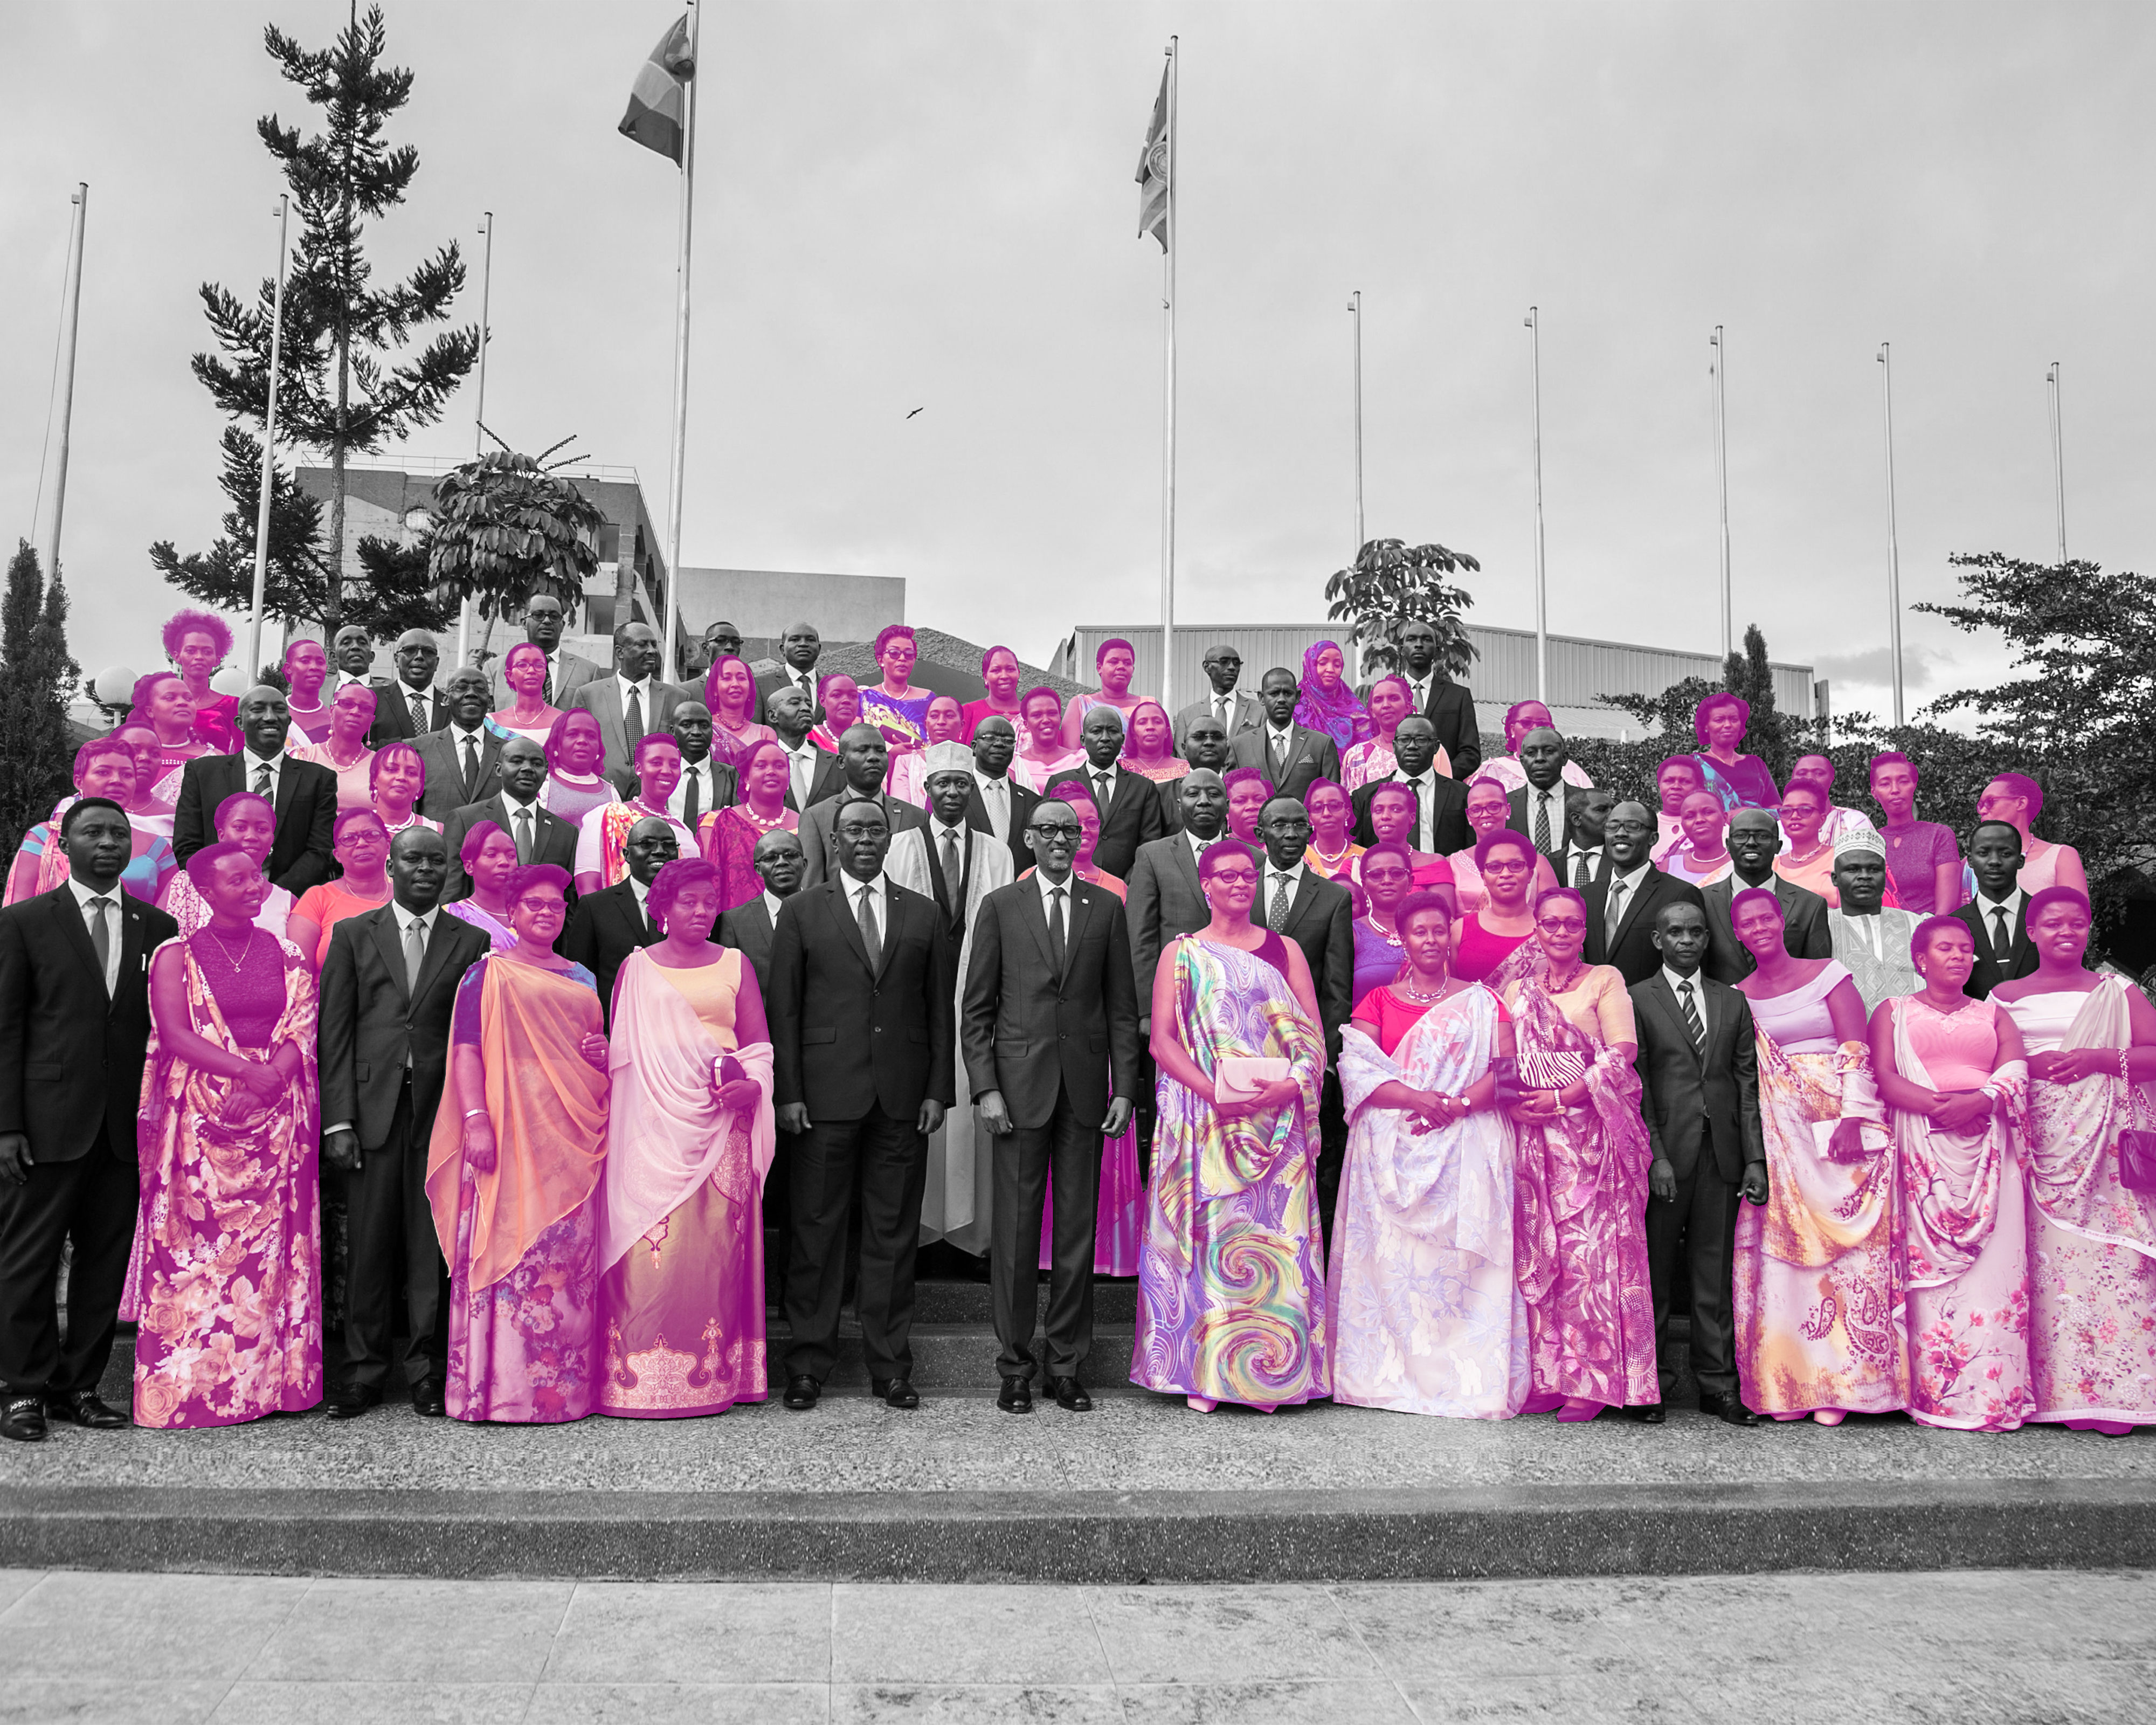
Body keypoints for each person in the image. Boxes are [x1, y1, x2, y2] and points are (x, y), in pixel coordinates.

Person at [0, 799, 179, 1441]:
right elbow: (7, 1027)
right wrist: (6, 1125)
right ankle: (23, 1388)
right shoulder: (24, 923)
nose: (107, 843)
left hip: (123, 1128)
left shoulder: (156, 925)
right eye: (93, 833)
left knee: (104, 1263)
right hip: (44, 1124)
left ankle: (80, 1385)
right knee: (28, 1259)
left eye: (118, 834)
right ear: (65, 843)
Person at [770, 799, 953, 1412]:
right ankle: (808, 1363)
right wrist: (788, 1093)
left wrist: (936, 1090)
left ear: (889, 836)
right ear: (835, 837)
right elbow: (786, 1010)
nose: (866, 839)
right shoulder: (801, 909)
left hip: (903, 1099)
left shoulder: (923, 913)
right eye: (854, 830)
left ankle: (889, 1364)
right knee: (816, 1232)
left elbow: (937, 1011)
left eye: (876, 829)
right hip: (821, 1099)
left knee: (892, 1234)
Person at [130, 842, 321, 1427]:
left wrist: (269, 1081)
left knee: (270, 1261)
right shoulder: (175, 954)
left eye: (256, 875)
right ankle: (188, 1390)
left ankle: (269, 1386)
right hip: (199, 1127)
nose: (251, 885)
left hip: (274, 1126)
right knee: (190, 1253)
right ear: (204, 892)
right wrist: (246, 1072)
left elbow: (302, 1025)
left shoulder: (288, 953)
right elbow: (175, 1032)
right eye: (235, 879)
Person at [1136, 841, 1329, 1413]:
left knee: (1275, 1241)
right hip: (1207, 1121)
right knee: (1212, 1243)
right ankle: (1206, 1371)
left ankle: (1271, 1378)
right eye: (1228, 875)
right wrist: (1212, 1094)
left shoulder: (1284, 948)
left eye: (1249, 874)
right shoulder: (1183, 952)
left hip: (1278, 1121)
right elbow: (1161, 1039)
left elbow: (1313, 1034)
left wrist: (1291, 1085)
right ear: (1206, 884)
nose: (1241, 883)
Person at [966, 801, 1141, 1411]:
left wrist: (1124, 1089)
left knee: (1075, 1232)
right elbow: (977, 1008)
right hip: (1016, 1091)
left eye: (1071, 830)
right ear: (1029, 839)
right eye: (1049, 830)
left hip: (1087, 1092)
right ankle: (1015, 1365)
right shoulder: (1000, 906)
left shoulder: (1107, 908)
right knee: (1015, 1233)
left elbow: (1121, 1009)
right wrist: (985, 1087)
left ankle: (1065, 1363)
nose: (1061, 839)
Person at [426, 864, 610, 1423]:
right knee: (506, 1256)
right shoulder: (487, 973)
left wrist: (603, 1054)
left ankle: (562, 1395)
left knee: (562, 1265)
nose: (546, 912)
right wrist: (476, 1119)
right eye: (533, 903)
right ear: (511, 912)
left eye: (556, 905)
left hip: (571, 1138)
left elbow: (587, 1048)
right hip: (506, 1132)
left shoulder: (582, 976)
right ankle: (497, 1392)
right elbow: (466, 1051)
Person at [1333, 885, 1522, 1419]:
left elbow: (1506, 1074)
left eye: (1439, 930)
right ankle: (1386, 1375)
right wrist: (1418, 1098)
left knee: (1456, 1267)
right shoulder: (1378, 1001)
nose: (1431, 939)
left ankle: (1463, 1376)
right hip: (1392, 1150)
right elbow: (1358, 1070)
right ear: (1403, 939)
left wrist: (1457, 1105)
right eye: (1420, 931)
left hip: (1465, 1147)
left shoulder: (1485, 1001)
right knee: (1397, 1268)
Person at [598, 858, 774, 1419]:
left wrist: (751, 1088)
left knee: (713, 1251)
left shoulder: (735, 963)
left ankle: (716, 1377)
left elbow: (758, 1047)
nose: (701, 911)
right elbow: (623, 1056)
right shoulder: (636, 968)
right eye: (688, 902)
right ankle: (635, 1383)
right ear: (662, 909)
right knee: (650, 1252)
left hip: (722, 1128)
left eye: (709, 901)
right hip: (649, 1131)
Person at [1727, 887, 1898, 1424]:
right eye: (1746, 922)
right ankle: (1794, 1384)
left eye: (1765, 917)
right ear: (1737, 933)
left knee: (1850, 1254)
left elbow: (1856, 1047)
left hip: (1837, 1125)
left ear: (1783, 920)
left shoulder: (1828, 974)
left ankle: (1847, 1385)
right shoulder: (1738, 994)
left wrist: (1854, 1116)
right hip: (1780, 1134)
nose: (1758, 927)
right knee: (1786, 1256)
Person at [1995, 888, 2156, 1434]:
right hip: (2036, 1146)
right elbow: (1990, 1061)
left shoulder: (2117, 990)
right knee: (2046, 1268)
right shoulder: (2004, 994)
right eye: (2052, 922)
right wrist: (2024, 1063)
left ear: (2089, 930)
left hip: (2104, 1151)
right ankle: (2055, 1393)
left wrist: (2097, 1057)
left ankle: (2120, 1395)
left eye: (2077, 923)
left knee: (2113, 1262)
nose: (2066, 931)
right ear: (2032, 932)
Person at [1500, 888, 1659, 1421]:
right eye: (1551, 923)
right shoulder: (1518, 987)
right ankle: (1549, 1375)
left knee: (1589, 1260)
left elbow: (1622, 1052)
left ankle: (1594, 1380)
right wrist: (1513, 1101)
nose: (1561, 932)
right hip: (1534, 1136)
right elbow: (1498, 1049)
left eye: (1571, 924)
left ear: (1584, 929)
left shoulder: (1604, 978)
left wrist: (1564, 1096)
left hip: (1590, 1135)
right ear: (1537, 929)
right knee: (1544, 1255)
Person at [1873, 916, 2031, 1431]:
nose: (1960, 956)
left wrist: (1980, 1103)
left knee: (1995, 1271)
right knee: (1928, 1280)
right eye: (1946, 948)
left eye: (1966, 948)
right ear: (1920, 959)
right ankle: (1933, 1396)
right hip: (1920, 1148)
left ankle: (1992, 1397)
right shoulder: (1893, 1012)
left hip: (1988, 1147)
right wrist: (1941, 1107)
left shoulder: (1995, 1013)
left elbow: (2015, 1070)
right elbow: (1883, 1077)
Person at [1632, 900, 1769, 1425]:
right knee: (1656, 1272)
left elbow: (1745, 1084)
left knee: (1712, 1274)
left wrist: (1753, 1159)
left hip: (1721, 1155)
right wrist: (1656, 1154)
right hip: (1666, 1156)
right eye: (1675, 932)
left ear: (1706, 940)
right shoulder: (1637, 998)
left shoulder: (1731, 1002)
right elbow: (1637, 1085)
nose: (1686, 939)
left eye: (1695, 932)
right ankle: (1651, 1384)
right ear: (1657, 940)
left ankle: (1717, 1386)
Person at [887, 743, 1016, 1257]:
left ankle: (969, 1236)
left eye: (962, 783)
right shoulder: (899, 845)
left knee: (969, 1107)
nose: (953, 792)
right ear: (926, 789)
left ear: (972, 790)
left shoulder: (997, 851)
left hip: (976, 990)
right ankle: (917, 1233)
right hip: (917, 993)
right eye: (943, 783)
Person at [1256, 796, 1356, 1237]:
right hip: (1244, 1043)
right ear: (1261, 834)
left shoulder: (1332, 897)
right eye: (1280, 825)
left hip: (1302, 1051)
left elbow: (1336, 988)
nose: (1293, 834)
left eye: (1300, 825)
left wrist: (1326, 1061)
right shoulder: (1239, 887)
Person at [171, 685, 338, 891]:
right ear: (240, 723)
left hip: (290, 902)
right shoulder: (202, 773)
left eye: (279, 709)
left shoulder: (319, 779)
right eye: (258, 709)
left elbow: (320, 850)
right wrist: (224, 889)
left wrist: (275, 896)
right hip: (217, 899)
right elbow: (187, 845)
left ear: (288, 721)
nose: (270, 717)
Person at [5, 739, 175, 908]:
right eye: (103, 772)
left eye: (127, 775)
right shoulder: (44, 838)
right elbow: (16, 913)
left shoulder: (158, 848)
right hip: (49, 934)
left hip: (135, 934)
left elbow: (169, 921)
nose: (117, 780)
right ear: (79, 781)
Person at [1126, 770, 1228, 1030]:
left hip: (1235, 999)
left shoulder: (1252, 858)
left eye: (1214, 794)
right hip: (1173, 1001)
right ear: (1179, 804)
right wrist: (1148, 1011)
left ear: (1227, 804)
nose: (1204, 801)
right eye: (1193, 794)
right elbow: (1141, 938)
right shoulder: (1152, 856)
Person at [559, 816, 684, 1025]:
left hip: (679, 1029)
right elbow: (580, 981)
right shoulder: (595, 907)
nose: (660, 851)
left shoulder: (691, 907)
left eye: (669, 845)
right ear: (627, 854)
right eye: (647, 844)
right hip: (617, 1031)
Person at [1703, 808, 1832, 984]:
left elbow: (1818, 975)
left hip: (1790, 1008)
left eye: (1762, 836)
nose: (1751, 843)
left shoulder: (1810, 905)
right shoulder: (1702, 901)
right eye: (1741, 836)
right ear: (1728, 844)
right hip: (1722, 1009)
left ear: (1778, 846)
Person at [1583, 802, 1705, 986]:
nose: (1620, 833)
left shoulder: (1680, 894)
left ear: (1653, 838)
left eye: (1633, 826)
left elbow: (1692, 967)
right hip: (1591, 1008)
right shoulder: (1584, 896)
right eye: (1612, 827)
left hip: (1650, 1011)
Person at [443, 736, 579, 899]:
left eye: (536, 764)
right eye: (517, 761)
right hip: (479, 923)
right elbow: (451, 891)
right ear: (498, 769)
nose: (527, 768)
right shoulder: (465, 820)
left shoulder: (566, 833)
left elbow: (569, 897)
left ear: (546, 772)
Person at [795, 726, 930, 887]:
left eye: (880, 751)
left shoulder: (917, 817)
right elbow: (812, 891)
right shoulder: (816, 818)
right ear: (841, 761)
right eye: (862, 750)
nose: (873, 757)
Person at [1046, 707, 1170, 881]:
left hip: (1127, 886)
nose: (1105, 738)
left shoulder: (1143, 787)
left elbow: (1149, 844)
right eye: (1097, 731)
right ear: (1083, 739)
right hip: (1070, 882)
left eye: (1112, 731)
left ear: (1123, 739)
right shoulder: (1060, 783)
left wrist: (1128, 882)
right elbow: (1049, 836)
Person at [160, 793, 300, 937]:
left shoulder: (287, 901)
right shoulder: (184, 885)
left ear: (272, 839)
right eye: (240, 827)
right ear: (221, 835)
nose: (251, 836)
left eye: (262, 829)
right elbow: (158, 944)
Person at [574, 732, 694, 896]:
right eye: (656, 762)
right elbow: (586, 886)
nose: (666, 771)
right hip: (615, 918)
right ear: (639, 769)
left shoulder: (685, 832)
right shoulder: (606, 816)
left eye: (674, 765)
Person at [699, 737, 796, 912]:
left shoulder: (806, 824)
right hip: (737, 928)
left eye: (780, 766)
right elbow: (711, 885)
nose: (771, 771)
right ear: (746, 779)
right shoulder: (718, 823)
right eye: (761, 766)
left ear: (789, 778)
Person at [287, 809, 394, 967]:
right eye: (349, 839)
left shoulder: (406, 898)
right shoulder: (318, 898)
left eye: (371, 835)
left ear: (388, 845)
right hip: (327, 992)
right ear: (337, 855)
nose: (362, 843)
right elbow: (299, 976)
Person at [1828, 830, 1920, 1011]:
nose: (1865, 876)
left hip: (1914, 1032)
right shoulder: (1822, 925)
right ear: (1835, 879)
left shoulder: (1917, 925)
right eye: (1853, 869)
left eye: (1874, 869)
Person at [1350, 717, 1469, 854]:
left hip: (1443, 873)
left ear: (1436, 747)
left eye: (1421, 740)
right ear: (1395, 747)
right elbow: (1357, 852)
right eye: (1404, 740)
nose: (1412, 746)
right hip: (1386, 874)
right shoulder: (1366, 796)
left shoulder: (1462, 795)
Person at [1950, 820, 2041, 997]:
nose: (1994, 861)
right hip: (1976, 1023)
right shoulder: (1953, 925)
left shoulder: (2045, 916)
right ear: (1970, 861)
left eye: (2005, 853)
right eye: (1984, 853)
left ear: (2020, 861)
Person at [1231, 666, 1343, 805]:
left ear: (1297, 697)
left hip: (1305, 825)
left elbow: (1332, 800)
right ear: (1261, 698)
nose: (1281, 700)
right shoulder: (1239, 746)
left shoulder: (1321, 744)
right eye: (1274, 693)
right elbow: (1233, 800)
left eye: (1288, 693)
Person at [1387, 619, 1482, 780]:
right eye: (1412, 639)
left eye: (1426, 639)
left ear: (1437, 651)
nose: (1419, 644)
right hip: (1395, 789)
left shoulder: (1459, 696)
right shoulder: (1386, 696)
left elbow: (1470, 753)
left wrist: (1440, 779)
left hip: (1445, 793)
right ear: (1402, 649)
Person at [1869, 750, 1962, 915]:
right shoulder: (1870, 841)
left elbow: (1946, 910)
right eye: (1885, 784)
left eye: (1903, 781)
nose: (1895, 790)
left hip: (1929, 934)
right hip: (1881, 935)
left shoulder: (1939, 835)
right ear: (1874, 792)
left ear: (1914, 785)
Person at [412, 667, 507, 823]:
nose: (471, 694)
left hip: (492, 844)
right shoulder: (419, 749)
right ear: (445, 699)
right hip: (438, 844)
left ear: (490, 702)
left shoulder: (507, 752)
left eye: (480, 689)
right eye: (461, 687)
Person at [1450, 778, 1557, 915]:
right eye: (1476, 809)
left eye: (1494, 807)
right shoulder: (1452, 864)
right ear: (1469, 816)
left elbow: (1553, 916)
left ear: (1508, 810)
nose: (1486, 814)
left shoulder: (1538, 864)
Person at [1977, 770, 2088, 901]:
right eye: (1980, 805)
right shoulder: (1969, 865)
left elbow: (2077, 915)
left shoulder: (2059, 858)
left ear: (2021, 803)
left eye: (1990, 802)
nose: (1983, 811)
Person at [485, 591, 604, 710]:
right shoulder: (495, 669)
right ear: (524, 623)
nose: (547, 621)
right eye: (538, 615)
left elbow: (596, 720)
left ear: (562, 625)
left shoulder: (589, 673)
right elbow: (486, 719)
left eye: (554, 616)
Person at [1451, 829, 1541, 983]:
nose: (1505, 874)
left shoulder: (1549, 927)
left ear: (1530, 875)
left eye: (1515, 865)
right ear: (1483, 877)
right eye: (1494, 867)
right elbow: (1452, 988)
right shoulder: (1461, 930)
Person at [125, 671, 214, 812]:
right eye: (170, 698)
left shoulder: (216, 759)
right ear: (150, 711)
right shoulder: (125, 755)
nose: (182, 703)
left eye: (188, 698)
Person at [963, 714, 1040, 873]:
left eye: (1008, 740)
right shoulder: (958, 797)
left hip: (1019, 892)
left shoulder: (1033, 802)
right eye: (990, 737)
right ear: (974, 746)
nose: (999, 744)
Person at [1472, 700, 1592, 796]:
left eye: (1542, 724)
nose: (1535, 728)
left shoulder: (1570, 768)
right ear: (1513, 729)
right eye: (1526, 723)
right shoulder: (1491, 770)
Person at [292, 679, 379, 809]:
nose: (355, 712)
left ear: (372, 720)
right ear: (331, 711)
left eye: (365, 708)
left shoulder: (381, 766)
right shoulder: (302, 758)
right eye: (347, 704)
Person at [163, 607, 240, 753]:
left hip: (217, 775)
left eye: (207, 652)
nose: (199, 657)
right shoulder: (160, 705)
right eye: (191, 651)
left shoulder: (232, 706)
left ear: (217, 659)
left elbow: (241, 756)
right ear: (177, 656)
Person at [857, 624, 934, 768]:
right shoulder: (863, 698)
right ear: (880, 660)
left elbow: (935, 743)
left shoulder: (928, 698)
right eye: (894, 653)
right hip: (874, 771)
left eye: (909, 654)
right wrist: (890, 752)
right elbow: (854, 740)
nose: (902, 658)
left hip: (918, 772)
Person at [1350, 843, 1415, 1007]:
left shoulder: (1430, 930)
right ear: (1364, 885)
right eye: (1377, 875)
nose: (1387, 880)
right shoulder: (1351, 932)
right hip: (1365, 1029)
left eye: (1397, 873)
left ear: (1410, 882)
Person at [1363, 783, 1455, 896]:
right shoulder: (1354, 865)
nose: (1385, 816)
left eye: (1396, 810)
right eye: (1378, 810)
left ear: (1412, 818)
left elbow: (1443, 913)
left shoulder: (1434, 863)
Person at [1691, 692, 1779, 810]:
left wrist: (1749, 813)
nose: (1728, 725)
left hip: (1757, 827)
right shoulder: (1694, 764)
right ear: (1706, 726)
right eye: (1719, 720)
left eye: (1734, 719)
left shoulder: (1756, 764)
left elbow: (1777, 808)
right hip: (1713, 827)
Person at [1505, 727, 1577, 868]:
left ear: (1564, 758)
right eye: (1531, 753)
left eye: (1549, 751)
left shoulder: (1586, 803)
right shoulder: (1505, 806)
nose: (1539, 759)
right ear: (1522, 761)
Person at [538, 708, 621, 830]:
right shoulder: (542, 786)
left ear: (599, 748)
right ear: (556, 744)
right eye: (572, 735)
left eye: (591, 736)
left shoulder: (612, 794)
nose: (582, 741)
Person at [1171, 643, 1260, 751]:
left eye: (1236, 663)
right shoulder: (1187, 716)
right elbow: (1183, 755)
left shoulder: (1260, 711)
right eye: (1224, 662)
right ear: (1207, 667)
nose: (1232, 667)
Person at [445, 820, 519, 950]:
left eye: (511, 856)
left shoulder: (531, 913)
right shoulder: (451, 916)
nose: (504, 862)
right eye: (491, 855)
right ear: (469, 866)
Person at [1783, 754, 1879, 854]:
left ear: (1832, 778)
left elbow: (1869, 863)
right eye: (1802, 773)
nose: (1810, 778)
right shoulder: (1779, 828)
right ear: (1792, 778)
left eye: (1819, 773)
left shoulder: (1854, 821)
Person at [1293, 639, 1374, 754]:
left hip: (1348, 771)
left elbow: (1367, 751)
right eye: (1322, 663)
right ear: (1310, 665)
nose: (1331, 670)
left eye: (1337, 665)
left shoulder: (1353, 707)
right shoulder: (1295, 704)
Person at [1061, 636, 1144, 747]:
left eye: (1127, 663)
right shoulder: (1080, 705)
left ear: (1133, 670)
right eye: (1114, 662)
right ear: (1100, 668)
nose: (1121, 667)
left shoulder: (1148, 705)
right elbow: (1072, 754)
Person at [369, 629, 450, 743]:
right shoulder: (372, 699)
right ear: (396, 659)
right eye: (410, 650)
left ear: (437, 663)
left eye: (428, 652)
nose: (419, 656)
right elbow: (356, 749)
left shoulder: (452, 706)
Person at [1771, 783, 1845, 907]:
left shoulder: (1839, 860)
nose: (1794, 816)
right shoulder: (1773, 866)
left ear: (1822, 819)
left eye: (1805, 810)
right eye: (1787, 811)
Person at [1340, 675, 1416, 793]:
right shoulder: (1356, 755)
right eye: (1378, 700)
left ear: (1408, 707)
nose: (1386, 705)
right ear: (1372, 711)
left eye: (1394, 698)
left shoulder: (1428, 750)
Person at [702, 652, 779, 768]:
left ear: (750, 689)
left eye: (741, 678)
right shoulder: (704, 729)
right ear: (714, 690)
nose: (735, 684)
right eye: (727, 678)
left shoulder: (765, 734)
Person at [887, 693, 965, 805]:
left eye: (949, 716)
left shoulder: (972, 763)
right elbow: (902, 809)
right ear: (926, 724)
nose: (941, 722)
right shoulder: (907, 762)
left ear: (962, 725)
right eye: (934, 716)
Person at [1160, 713, 1234, 831]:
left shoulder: (1244, 791)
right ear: (1184, 748)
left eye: (1217, 737)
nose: (1209, 742)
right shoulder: (1161, 794)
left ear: (1227, 745)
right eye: (1199, 737)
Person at [486, 641, 565, 748]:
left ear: (545, 676)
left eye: (538, 665)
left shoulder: (564, 723)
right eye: (522, 665)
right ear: (510, 675)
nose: (531, 671)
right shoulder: (491, 723)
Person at [110, 721, 181, 838]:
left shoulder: (177, 819)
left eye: (154, 753)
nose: (145, 758)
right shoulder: (81, 811)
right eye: (134, 750)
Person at [1013, 684, 1081, 792]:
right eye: (1037, 715)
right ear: (1026, 724)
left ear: (1060, 718)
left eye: (1052, 713)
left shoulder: (1082, 760)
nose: (1046, 720)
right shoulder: (1015, 764)